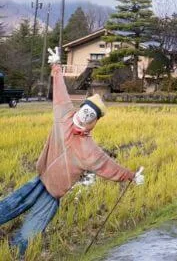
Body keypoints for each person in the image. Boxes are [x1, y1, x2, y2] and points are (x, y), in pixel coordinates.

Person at [0, 48, 145, 255]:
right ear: (80, 108)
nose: (86, 115)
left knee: (32, 228)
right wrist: (56, 66)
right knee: (12, 204)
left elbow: (107, 166)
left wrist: (130, 176)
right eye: (86, 110)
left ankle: (13, 252)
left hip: (53, 193)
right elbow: (60, 94)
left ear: (94, 121)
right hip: (40, 179)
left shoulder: (89, 149)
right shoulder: (64, 116)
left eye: (91, 115)